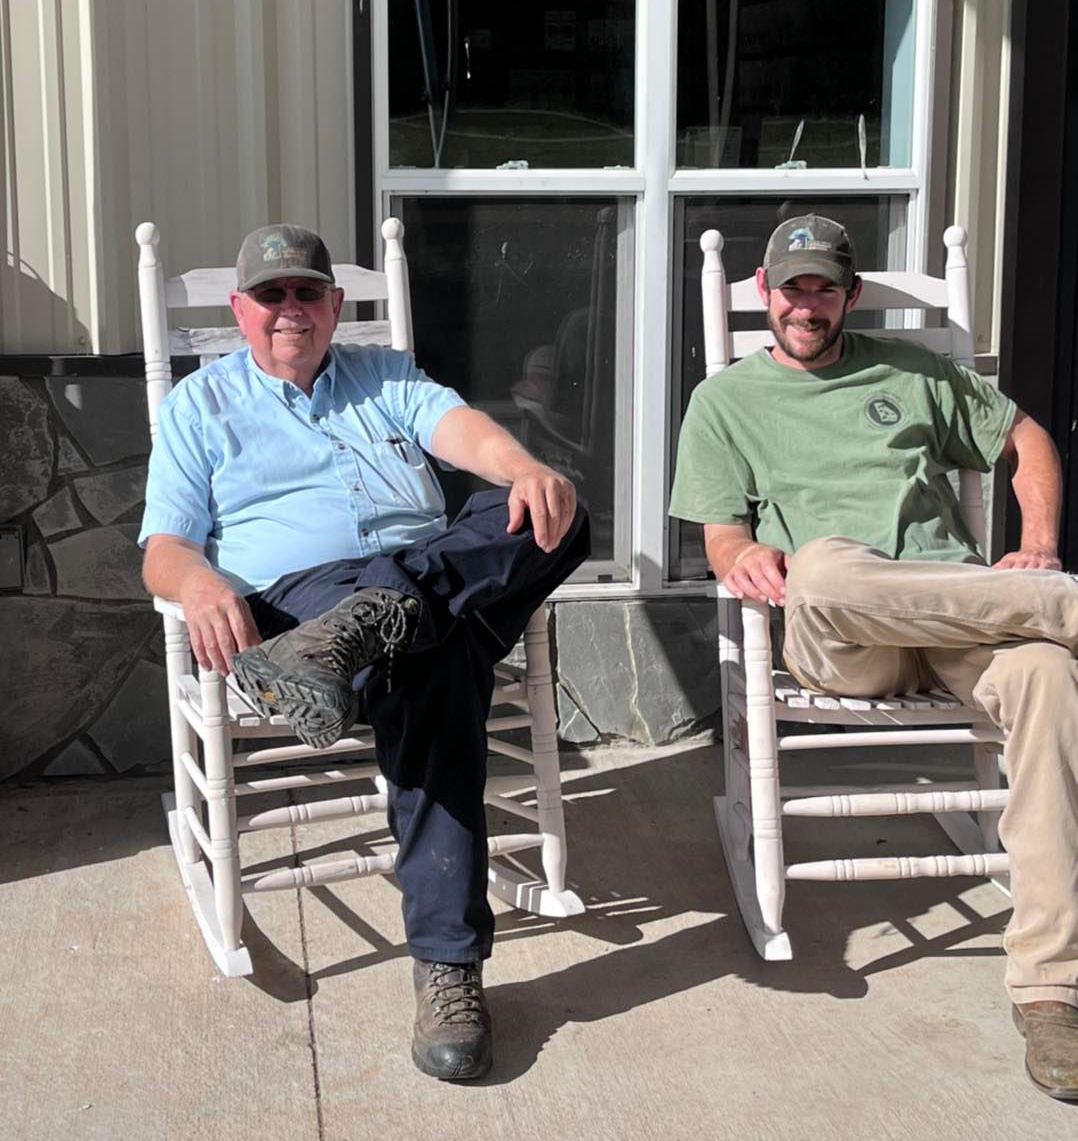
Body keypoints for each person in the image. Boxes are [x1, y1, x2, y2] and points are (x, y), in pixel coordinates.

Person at [139, 224, 589, 1082]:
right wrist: (196, 585)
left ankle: (387, 612)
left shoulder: (386, 375)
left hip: (413, 586)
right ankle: (449, 968)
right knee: (438, 668)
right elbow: (165, 547)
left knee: (558, 508)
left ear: (335, 304)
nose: (290, 309)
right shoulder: (200, 406)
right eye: (270, 295)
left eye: (307, 292)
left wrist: (523, 466)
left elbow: (464, 433)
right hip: (300, 602)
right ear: (240, 310)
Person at [670, 213, 1078, 1103]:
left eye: (825, 288)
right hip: (844, 635)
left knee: (1050, 675)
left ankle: (1050, 988)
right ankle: (1063, 607)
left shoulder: (918, 372)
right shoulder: (725, 401)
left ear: (851, 295)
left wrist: (1040, 544)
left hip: (962, 619)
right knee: (822, 567)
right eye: (793, 288)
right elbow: (722, 537)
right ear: (763, 292)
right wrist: (745, 556)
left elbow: (1028, 441)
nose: (806, 305)